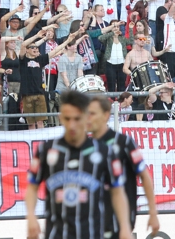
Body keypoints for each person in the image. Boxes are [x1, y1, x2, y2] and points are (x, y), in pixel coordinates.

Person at [26, 89, 133, 239]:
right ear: (60, 118)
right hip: (56, 234)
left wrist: (125, 227)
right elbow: (32, 186)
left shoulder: (105, 152)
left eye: (77, 119)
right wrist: (31, 216)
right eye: (67, 119)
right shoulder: (46, 150)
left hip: (92, 233)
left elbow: (117, 191)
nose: (72, 124)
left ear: (85, 118)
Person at [87, 96, 161, 237]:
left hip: (122, 215)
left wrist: (153, 212)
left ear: (105, 115)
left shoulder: (124, 143)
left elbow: (145, 177)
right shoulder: (85, 146)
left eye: (93, 113)